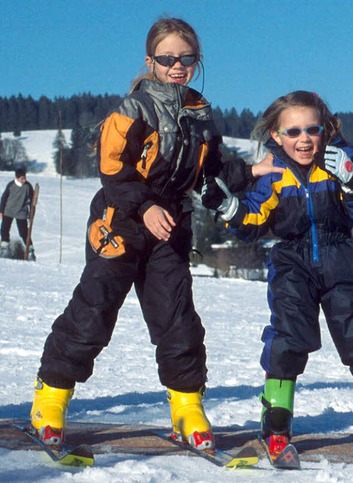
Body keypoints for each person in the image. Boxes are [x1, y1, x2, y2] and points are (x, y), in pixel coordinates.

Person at [29, 17, 275, 451]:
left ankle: (186, 405)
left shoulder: (200, 113)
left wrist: (249, 172)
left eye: (186, 58)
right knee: (95, 307)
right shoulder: (133, 110)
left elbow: (210, 170)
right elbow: (112, 169)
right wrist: (144, 206)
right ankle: (51, 396)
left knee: (176, 317)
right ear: (151, 61)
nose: (177, 66)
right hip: (121, 220)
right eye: (168, 59)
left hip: (169, 226)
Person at [214, 91, 353, 460]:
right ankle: (275, 421)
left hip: (342, 257)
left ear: (324, 129)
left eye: (312, 130)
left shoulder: (342, 158)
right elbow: (255, 220)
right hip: (292, 260)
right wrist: (229, 208)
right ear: (276, 135)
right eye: (293, 132)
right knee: (289, 336)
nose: (303, 139)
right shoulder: (272, 170)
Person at [0, 167, 35, 260]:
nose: (24, 180)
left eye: (25, 178)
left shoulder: (28, 186)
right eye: (22, 178)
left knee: (23, 231)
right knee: (4, 228)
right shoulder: (11, 185)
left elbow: (32, 200)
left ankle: (30, 249)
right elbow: (4, 198)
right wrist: (1, 210)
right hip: (9, 210)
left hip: (21, 211)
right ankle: (4, 247)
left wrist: (31, 212)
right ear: (17, 178)